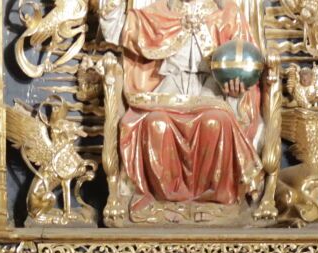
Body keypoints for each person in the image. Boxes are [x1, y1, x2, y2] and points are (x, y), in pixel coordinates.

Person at [101, 0, 265, 221]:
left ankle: (214, 200)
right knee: (155, 123)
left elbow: (247, 60)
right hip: (168, 88)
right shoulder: (160, 13)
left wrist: (237, 87)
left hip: (211, 90)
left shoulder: (228, 14)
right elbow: (117, 28)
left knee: (216, 122)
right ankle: (164, 201)